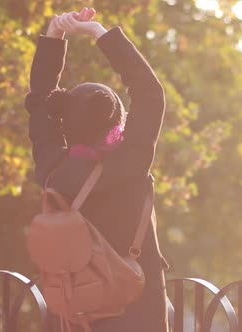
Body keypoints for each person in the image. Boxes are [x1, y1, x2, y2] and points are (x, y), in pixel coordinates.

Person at [24, 8, 169, 331]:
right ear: (118, 121)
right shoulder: (130, 165)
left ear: (65, 121)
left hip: (73, 315)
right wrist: (100, 33)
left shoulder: (53, 170)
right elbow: (149, 94)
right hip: (137, 315)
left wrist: (53, 36)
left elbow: (39, 102)